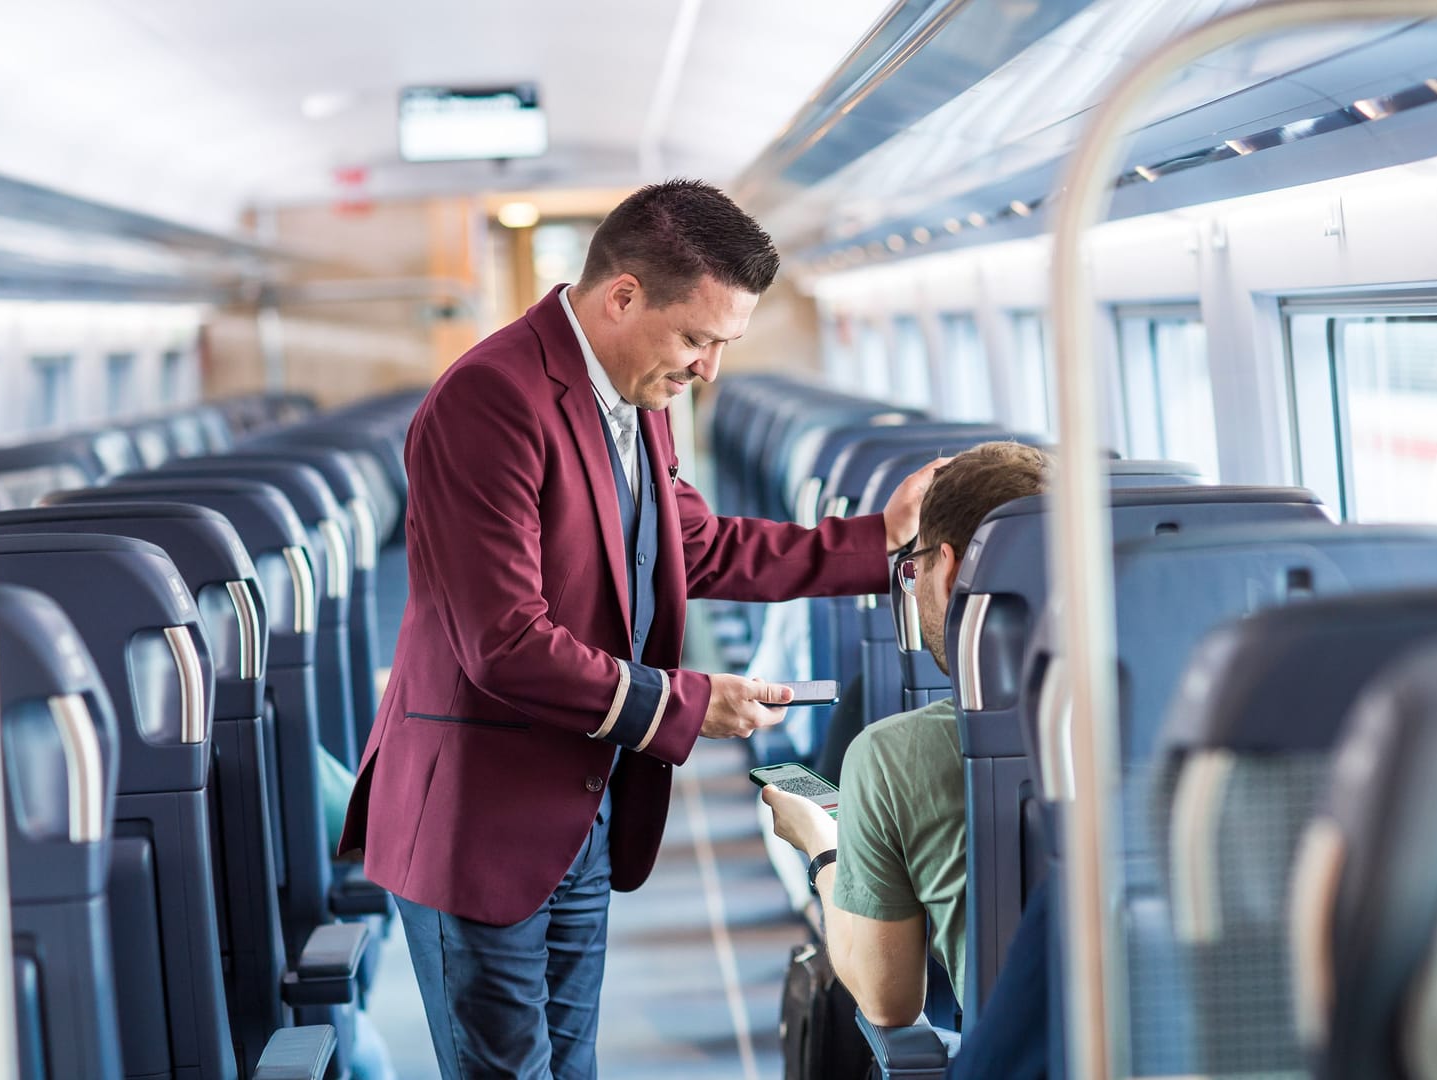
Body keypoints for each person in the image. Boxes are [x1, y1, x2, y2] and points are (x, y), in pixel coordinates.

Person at [337, 179, 943, 1080]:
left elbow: (695, 548)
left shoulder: (634, 400)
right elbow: (503, 641)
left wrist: (879, 541)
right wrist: (692, 701)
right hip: (482, 818)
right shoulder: (489, 401)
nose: (708, 371)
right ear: (622, 296)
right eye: (698, 339)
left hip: (583, 799)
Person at [763, 441, 1050, 1024]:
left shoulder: (891, 756)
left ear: (946, 572)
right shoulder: (1203, 730)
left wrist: (822, 849)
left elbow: (887, 998)